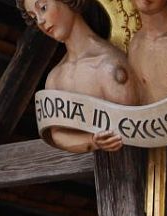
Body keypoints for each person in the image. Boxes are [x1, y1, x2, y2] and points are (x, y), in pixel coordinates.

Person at [21, 0, 140, 154]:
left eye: (43, 8)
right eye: (34, 17)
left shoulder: (110, 66)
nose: (41, 21)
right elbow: (57, 134)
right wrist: (91, 141)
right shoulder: (55, 78)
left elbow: (131, 128)